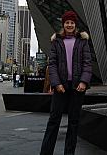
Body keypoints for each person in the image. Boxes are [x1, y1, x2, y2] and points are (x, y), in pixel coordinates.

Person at [40, 11, 92, 155]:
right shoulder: (57, 41)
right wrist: (57, 84)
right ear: (63, 24)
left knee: (73, 122)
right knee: (53, 121)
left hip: (77, 87)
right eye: (67, 22)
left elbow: (87, 63)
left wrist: (83, 82)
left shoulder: (82, 41)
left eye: (72, 23)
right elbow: (53, 64)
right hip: (60, 87)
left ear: (75, 25)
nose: (69, 25)